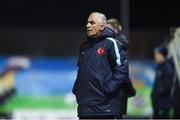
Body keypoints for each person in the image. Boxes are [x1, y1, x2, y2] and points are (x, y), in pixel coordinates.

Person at [72, 12, 135, 119]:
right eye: (87, 23)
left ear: (102, 27)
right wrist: (77, 89)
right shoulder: (84, 46)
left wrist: (107, 88)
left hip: (104, 107)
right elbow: (81, 70)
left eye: (92, 23)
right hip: (85, 108)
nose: (88, 26)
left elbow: (122, 70)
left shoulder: (111, 43)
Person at [106, 18, 136, 116]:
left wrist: (129, 89)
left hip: (114, 94)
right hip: (116, 93)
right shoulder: (114, 46)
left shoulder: (114, 47)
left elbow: (121, 73)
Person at [151, 46, 174, 119]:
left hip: (163, 104)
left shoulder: (167, 67)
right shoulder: (160, 67)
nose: (155, 57)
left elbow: (167, 85)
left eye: (157, 54)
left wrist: (156, 94)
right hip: (158, 104)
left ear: (162, 55)